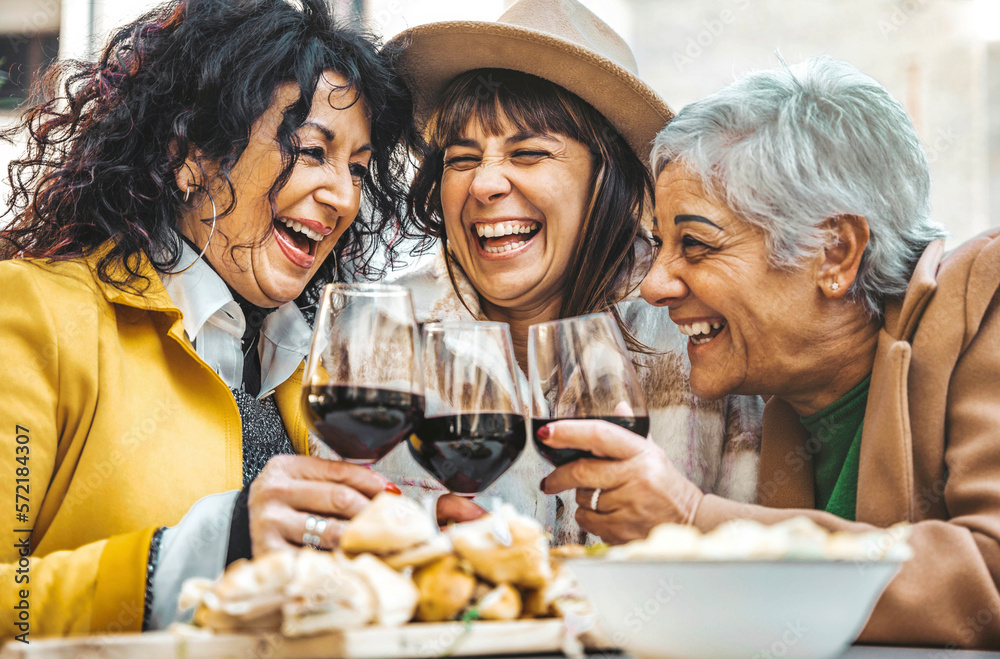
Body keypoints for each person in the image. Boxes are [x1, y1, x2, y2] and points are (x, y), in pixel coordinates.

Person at [539, 55, 1000, 647]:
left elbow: (987, 574)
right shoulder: (782, 401)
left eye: (696, 244)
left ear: (834, 252)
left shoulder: (987, 302)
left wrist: (694, 521)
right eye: (660, 244)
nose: (654, 285)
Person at [0, 0, 414, 638]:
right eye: (310, 150)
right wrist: (198, 551)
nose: (343, 197)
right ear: (190, 155)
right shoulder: (32, 316)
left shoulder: (319, 369)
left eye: (357, 169)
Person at [370, 0, 763, 545]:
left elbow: (760, 562)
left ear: (609, 180)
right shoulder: (382, 326)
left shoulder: (695, 323)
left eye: (528, 153)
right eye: (461, 159)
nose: (484, 185)